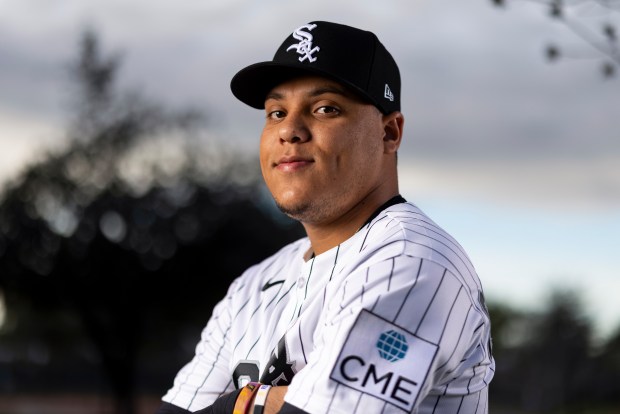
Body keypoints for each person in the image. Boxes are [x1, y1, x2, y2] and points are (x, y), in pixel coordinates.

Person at [157, 21, 495, 414]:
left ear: (389, 132)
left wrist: (240, 402)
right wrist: (265, 403)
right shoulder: (253, 285)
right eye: (276, 112)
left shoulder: (412, 261)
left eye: (325, 109)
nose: (290, 130)